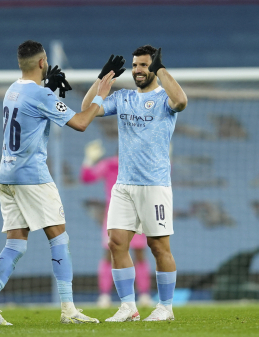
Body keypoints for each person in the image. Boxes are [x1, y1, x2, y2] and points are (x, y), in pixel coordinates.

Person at [0, 40, 115, 326]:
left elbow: (32, 112)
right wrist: (100, 95)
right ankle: (68, 309)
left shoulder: (12, 90)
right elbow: (80, 122)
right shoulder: (41, 96)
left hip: (7, 176)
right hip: (32, 177)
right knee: (59, 237)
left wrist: (49, 91)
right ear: (42, 62)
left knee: (16, 244)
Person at [81, 45, 188, 322]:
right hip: (124, 185)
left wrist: (162, 69)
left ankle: (165, 307)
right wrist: (101, 79)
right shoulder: (123, 97)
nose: (138, 70)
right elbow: (86, 109)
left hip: (154, 185)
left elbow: (182, 102)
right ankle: (128, 307)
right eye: (135, 65)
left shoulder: (165, 99)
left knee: (158, 246)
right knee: (116, 243)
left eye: (144, 65)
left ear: (153, 67)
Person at [79, 139, 152, 308]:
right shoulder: (120, 164)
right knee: (123, 255)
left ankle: (136, 295)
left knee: (126, 254)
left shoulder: (126, 165)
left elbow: (87, 177)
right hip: (124, 215)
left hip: (128, 215)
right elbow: (86, 178)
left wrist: (89, 160)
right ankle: (113, 296)